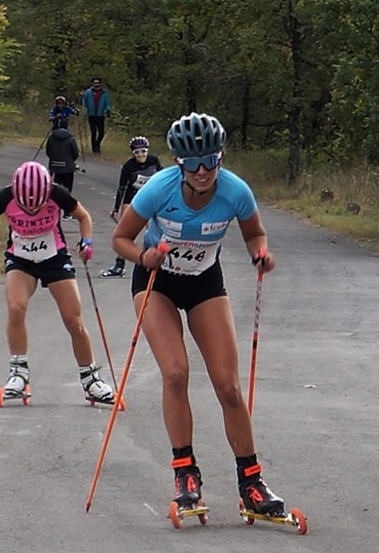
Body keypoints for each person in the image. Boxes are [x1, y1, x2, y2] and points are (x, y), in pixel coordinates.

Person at [110, 112, 290, 517]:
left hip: (205, 281)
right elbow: (120, 238)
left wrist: (259, 253)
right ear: (179, 163)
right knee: (175, 372)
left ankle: (252, 484)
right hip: (156, 280)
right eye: (193, 163)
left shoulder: (235, 191)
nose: (204, 171)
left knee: (228, 386)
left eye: (211, 160)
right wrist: (145, 255)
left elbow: (254, 232)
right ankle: (185, 475)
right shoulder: (158, 189)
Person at [0, 162, 115, 405]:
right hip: (20, 258)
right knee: (16, 309)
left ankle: (91, 379)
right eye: (26, 207)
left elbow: (83, 217)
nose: (32, 211)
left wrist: (87, 243)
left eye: (38, 206)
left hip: (54, 257)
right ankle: (18, 374)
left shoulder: (56, 193)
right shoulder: (5, 196)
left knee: (74, 319)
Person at [101, 136, 164, 278]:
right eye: (137, 152)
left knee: (152, 231)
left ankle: (154, 261)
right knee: (125, 232)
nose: (141, 155)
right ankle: (119, 264)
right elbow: (121, 188)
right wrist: (116, 208)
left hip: (150, 200)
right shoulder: (129, 166)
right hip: (132, 199)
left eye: (143, 151)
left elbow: (163, 181)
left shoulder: (154, 161)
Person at [46, 126, 80, 200]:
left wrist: (54, 159)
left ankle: (56, 205)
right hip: (68, 167)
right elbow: (75, 153)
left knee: (56, 188)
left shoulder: (51, 137)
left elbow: (48, 152)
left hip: (55, 166)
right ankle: (67, 208)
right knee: (67, 189)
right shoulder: (70, 139)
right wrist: (70, 161)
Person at [81, 77, 112, 154]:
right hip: (91, 115)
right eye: (95, 83)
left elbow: (108, 102)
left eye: (97, 83)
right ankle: (94, 149)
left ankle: (97, 144)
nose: (96, 84)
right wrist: (81, 97)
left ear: (100, 84)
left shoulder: (104, 92)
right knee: (93, 132)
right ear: (92, 84)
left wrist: (108, 110)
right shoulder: (88, 92)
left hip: (100, 115)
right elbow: (82, 102)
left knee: (101, 132)